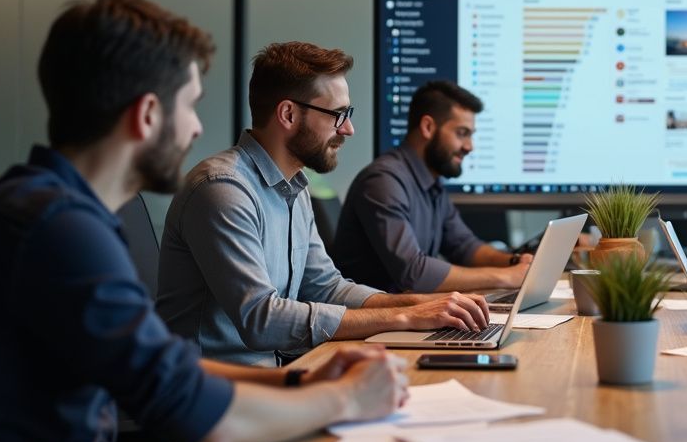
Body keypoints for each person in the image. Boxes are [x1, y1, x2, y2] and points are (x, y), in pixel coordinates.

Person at [0, 0, 407, 442]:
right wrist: (344, 399)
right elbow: (205, 421)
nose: (197, 127)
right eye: (189, 104)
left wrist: (300, 385)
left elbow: (165, 364)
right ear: (147, 114)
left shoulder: (51, 208)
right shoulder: (57, 229)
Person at [156, 44, 489, 366]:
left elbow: (326, 287)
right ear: (288, 114)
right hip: (210, 393)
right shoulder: (223, 189)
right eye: (338, 114)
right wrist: (403, 316)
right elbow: (261, 319)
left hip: (274, 376)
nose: (348, 128)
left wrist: (426, 305)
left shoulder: (296, 187)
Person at [330, 80, 533, 293]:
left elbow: (464, 247)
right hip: (378, 320)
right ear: (428, 127)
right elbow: (415, 273)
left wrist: (515, 262)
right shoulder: (383, 181)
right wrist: (506, 277)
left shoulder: (431, 183)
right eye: (462, 133)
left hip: (410, 314)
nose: (469, 146)